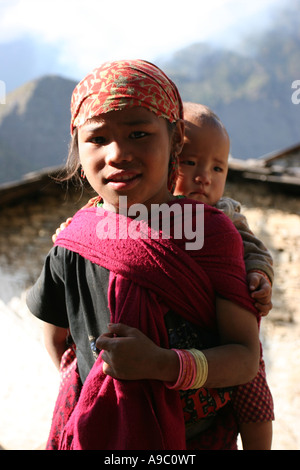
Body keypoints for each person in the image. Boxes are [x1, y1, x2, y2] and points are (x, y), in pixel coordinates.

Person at [26, 59, 261, 451]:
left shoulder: (209, 232)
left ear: (176, 141)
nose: (117, 154)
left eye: (139, 133)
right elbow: (56, 339)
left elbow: (244, 358)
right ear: (79, 153)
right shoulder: (73, 242)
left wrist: (162, 365)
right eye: (97, 139)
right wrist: (98, 393)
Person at [174, 102, 274, 449]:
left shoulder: (224, 215)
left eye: (218, 167)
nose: (205, 176)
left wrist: (259, 275)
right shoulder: (144, 211)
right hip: (175, 341)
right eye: (190, 162)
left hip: (227, 335)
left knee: (254, 389)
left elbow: (254, 249)